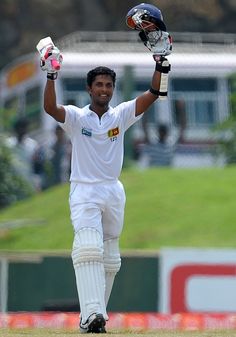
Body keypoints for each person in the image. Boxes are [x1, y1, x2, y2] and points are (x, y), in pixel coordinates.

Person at [40, 5, 171, 334]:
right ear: (89, 89)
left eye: (108, 85)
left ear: (113, 89)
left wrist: (161, 63)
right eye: (98, 84)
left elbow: (154, 93)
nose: (104, 89)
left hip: (113, 190)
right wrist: (52, 75)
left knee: (111, 259)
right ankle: (92, 314)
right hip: (83, 189)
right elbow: (50, 108)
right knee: (87, 248)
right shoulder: (77, 117)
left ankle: (93, 320)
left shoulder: (120, 116)